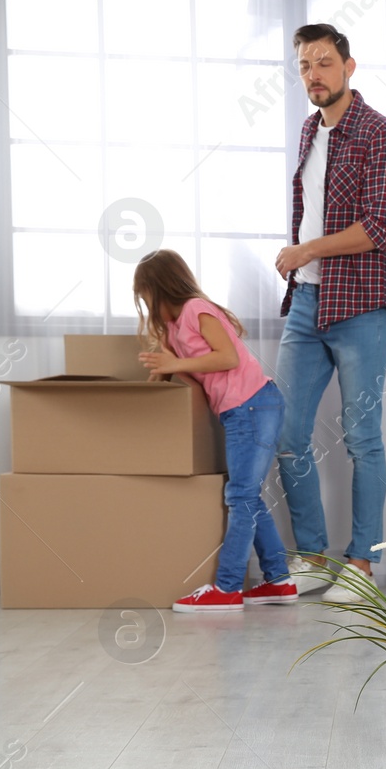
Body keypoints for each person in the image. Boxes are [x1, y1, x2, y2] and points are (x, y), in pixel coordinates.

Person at [272, 23, 386, 604]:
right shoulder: (309, 130)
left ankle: (361, 563)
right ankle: (312, 556)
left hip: (360, 307)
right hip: (306, 302)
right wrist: (303, 261)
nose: (314, 75)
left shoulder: (382, 134)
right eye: (305, 65)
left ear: (349, 66)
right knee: (286, 433)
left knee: (361, 439)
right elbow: (312, 211)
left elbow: (381, 227)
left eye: (324, 63)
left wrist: (306, 250)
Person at [132, 250, 298, 613]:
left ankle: (226, 588)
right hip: (239, 412)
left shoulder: (196, 309)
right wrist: (164, 367)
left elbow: (228, 358)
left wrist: (176, 361)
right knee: (248, 497)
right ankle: (278, 580)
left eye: (147, 298)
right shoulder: (174, 331)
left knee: (240, 497)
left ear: (162, 289)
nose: (147, 307)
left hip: (254, 404)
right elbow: (191, 374)